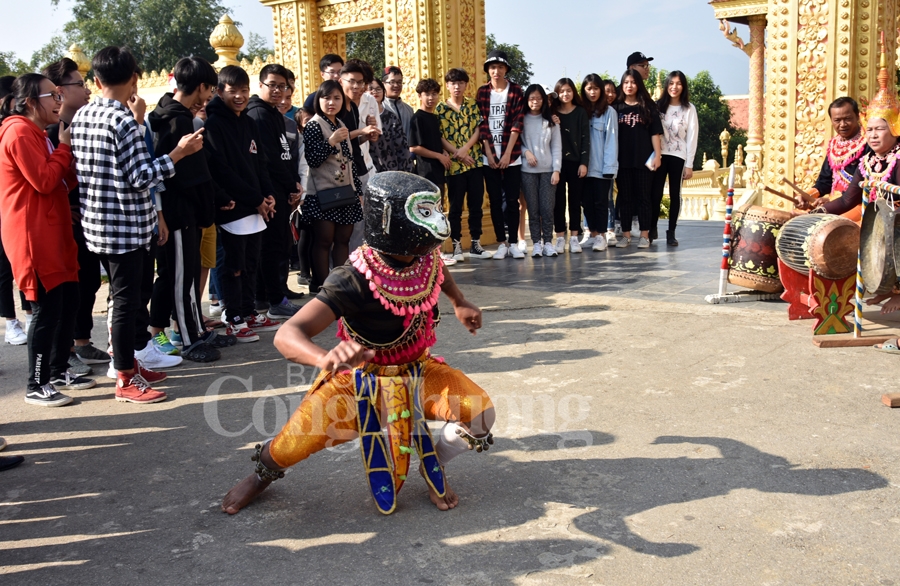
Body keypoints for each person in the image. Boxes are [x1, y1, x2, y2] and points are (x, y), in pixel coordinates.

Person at [221, 171, 494, 516]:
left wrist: (458, 301)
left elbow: (438, 268)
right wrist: (327, 357)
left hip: (418, 372)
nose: (439, 221)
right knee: (289, 446)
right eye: (425, 213)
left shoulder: (422, 253)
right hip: (360, 382)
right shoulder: (352, 278)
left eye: (435, 209)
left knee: (482, 415)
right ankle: (261, 476)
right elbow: (286, 336)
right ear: (392, 221)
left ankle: (433, 464)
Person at [72, 47, 201, 403]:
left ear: (95, 80)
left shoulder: (82, 116)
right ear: (134, 79)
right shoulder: (123, 121)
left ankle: (129, 364)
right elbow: (141, 176)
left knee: (125, 298)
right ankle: (126, 377)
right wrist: (178, 153)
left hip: (98, 221)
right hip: (125, 225)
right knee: (128, 302)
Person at [0, 73, 94, 406]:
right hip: (33, 235)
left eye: (59, 95)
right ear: (29, 103)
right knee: (45, 310)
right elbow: (42, 180)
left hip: (54, 230)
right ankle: (35, 383)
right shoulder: (18, 131)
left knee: (68, 300)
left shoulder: (39, 134)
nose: (58, 101)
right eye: (52, 96)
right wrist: (65, 148)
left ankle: (56, 370)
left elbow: (57, 182)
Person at [147, 56, 237, 362]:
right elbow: (184, 175)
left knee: (184, 278)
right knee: (180, 279)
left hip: (183, 212)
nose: (210, 96)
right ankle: (187, 338)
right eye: (209, 88)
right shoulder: (178, 121)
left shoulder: (169, 114)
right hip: (178, 213)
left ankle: (196, 330)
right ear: (201, 87)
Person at [815, 56, 900, 321]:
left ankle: (897, 290)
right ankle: (877, 286)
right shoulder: (867, 162)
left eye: (880, 129)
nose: (873, 135)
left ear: (895, 129)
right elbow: (847, 199)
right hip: (875, 217)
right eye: (871, 129)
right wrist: (820, 209)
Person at [42, 58, 110, 370]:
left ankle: (82, 341)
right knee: (70, 286)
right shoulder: (49, 132)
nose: (85, 90)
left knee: (90, 281)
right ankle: (64, 350)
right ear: (59, 91)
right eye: (78, 84)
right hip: (65, 220)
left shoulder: (87, 122)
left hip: (91, 215)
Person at [204, 65, 280, 343]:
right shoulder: (213, 124)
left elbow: (260, 163)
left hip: (256, 205)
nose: (239, 96)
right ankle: (233, 316)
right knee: (233, 266)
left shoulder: (248, 122)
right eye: (232, 90)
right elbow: (222, 170)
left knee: (251, 262)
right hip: (234, 205)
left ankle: (248, 312)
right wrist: (256, 198)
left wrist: (268, 194)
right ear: (219, 91)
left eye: (244, 90)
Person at [247, 63, 303, 321]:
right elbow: (267, 160)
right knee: (271, 249)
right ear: (260, 86)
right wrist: (284, 187)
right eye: (273, 85)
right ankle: (274, 300)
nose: (279, 91)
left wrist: (294, 184)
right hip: (269, 192)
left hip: (282, 190)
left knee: (276, 246)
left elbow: (285, 156)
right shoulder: (257, 115)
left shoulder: (274, 114)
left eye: (283, 86)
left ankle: (268, 296)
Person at [302, 80, 364, 292]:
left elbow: (350, 161)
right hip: (323, 193)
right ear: (319, 100)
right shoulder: (313, 124)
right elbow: (312, 159)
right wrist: (330, 140)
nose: (331, 102)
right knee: (323, 241)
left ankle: (341, 283)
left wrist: (358, 191)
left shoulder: (341, 124)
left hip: (346, 193)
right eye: (326, 98)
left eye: (337, 98)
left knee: (343, 239)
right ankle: (323, 285)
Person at [436, 68, 491, 261]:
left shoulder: (472, 105)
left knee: (476, 205)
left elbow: (478, 128)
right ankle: (457, 245)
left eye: (460, 83)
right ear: (448, 86)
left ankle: (476, 243)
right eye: (453, 83)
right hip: (455, 166)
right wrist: (457, 154)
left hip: (474, 162)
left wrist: (466, 149)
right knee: (456, 207)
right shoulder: (440, 109)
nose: (457, 87)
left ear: (466, 85)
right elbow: (440, 136)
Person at [476, 50, 526, 260]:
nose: (496, 71)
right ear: (488, 70)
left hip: (512, 155)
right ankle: (502, 243)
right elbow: (482, 124)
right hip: (489, 156)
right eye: (492, 67)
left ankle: (514, 242)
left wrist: (506, 155)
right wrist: (490, 153)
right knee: (495, 200)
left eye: (500, 67)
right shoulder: (482, 92)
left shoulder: (515, 91)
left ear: (506, 69)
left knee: (512, 200)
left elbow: (517, 122)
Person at [613, 68, 662, 249]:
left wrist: (658, 155)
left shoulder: (648, 107)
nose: (629, 86)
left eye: (633, 82)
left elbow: (655, 133)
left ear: (638, 84)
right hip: (622, 161)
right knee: (625, 198)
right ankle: (625, 235)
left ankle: (644, 235)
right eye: (626, 82)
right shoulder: (615, 108)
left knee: (644, 197)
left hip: (644, 160)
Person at [0, 74, 31, 347]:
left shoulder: (23, 128)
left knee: (21, 266)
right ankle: (10, 321)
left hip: (13, 207)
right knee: (3, 269)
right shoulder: (12, 130)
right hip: (6, 206)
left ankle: (29, 314)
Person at [339, 59, 381, 251]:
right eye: (352, 82)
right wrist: (362, 131)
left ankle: (358, 265)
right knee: (343, 227)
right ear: (341, 80)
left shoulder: (357, 106)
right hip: (340, 173)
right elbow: (336, 139)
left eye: (361, 83)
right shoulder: (334, 105)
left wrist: (369, 134)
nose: (357, 87)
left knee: (362, 222)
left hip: (362, 167)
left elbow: (357, 142)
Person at [651, 71, 698, 247]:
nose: (674, 87)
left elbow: (692, 137)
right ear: (666, 85)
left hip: (678, 155)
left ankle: (671, 232)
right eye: (671, 83)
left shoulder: (689, 109)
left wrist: (689, 164)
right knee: (654, 194)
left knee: (674, 195)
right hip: (660, 155)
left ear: (683, 86)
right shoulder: (658, 106)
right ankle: (652, 226)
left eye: (678, 84)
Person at [520, 84, 561, 258]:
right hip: (527, 170)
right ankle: (536, 243)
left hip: (548, 170)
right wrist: (526, 152)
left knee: (547, 208)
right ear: (527, 100)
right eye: (531, 98)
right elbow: (516, 143)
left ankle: (548, 243)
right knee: (533, 209)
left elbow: (557, 146)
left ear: (544, 100)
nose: (535, 101)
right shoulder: (521, 119)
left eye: (538, 98)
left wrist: (556, 170)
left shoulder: (551, 121)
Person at [551, 77, 590, 254]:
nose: (565, 94)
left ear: (573, 92)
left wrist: (584, 163)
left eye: (568, 90)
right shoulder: (552, 113)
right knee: (558, 202)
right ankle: (560, 237)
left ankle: (574, 237)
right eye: (561, 91)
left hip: (576, 163)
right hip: (557, 164)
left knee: (575, 201)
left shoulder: (580, 112)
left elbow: (585, 139)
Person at [811, 97, 867, 217]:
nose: (842, 125)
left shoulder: (869, 143)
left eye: (847, 119)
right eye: (837, 120)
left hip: (860, 204)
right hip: (837, 203)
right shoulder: (833, 145)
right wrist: (808, 196)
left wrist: (832, 200)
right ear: (831, 120)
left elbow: (864, 186)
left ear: (857, 116)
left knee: (831, 225)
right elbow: (824, 181)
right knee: (797, 217)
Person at [581, 74, 618, 252]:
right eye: (589, 89)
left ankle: (602, 235)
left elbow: (611, 140)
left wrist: (609, 167)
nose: (593, 92)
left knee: (601, 202)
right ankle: (593, 234)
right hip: (583, 167)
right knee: (586, 202)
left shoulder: (609, 112)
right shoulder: (581, 111)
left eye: (596, 88)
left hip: (601, 167)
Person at [409, 78, 449, 191]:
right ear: (420, 96)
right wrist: (439, 156)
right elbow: (414, 148)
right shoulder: (417, 118)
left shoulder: (434, 117)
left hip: (438, 170)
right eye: (427, 94)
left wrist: (443, 151)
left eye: (434, 94)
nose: (431, 98)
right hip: (425, 172)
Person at [367, 78, 413, 173]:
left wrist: (406, 170)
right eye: (371, 89)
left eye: (378, 89)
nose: (374, 92)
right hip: (369, 169)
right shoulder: (361, 116)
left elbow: (402, 146)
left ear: (384, 92)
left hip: (391, 168)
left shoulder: (391, 117)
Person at [602, 80, 621, 245]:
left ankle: (611, 228)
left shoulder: (614, 111)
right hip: (594, 162)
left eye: (613, 91)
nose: (610, 95)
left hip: (612, 161)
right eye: (606, 91)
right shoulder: (590, 112)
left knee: (609, 197)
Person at [382, 65, 415, 144]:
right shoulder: (380, 108)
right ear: (383, 84)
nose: (396, 85)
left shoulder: (409, 110)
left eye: (399, 82)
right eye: (392, 82)